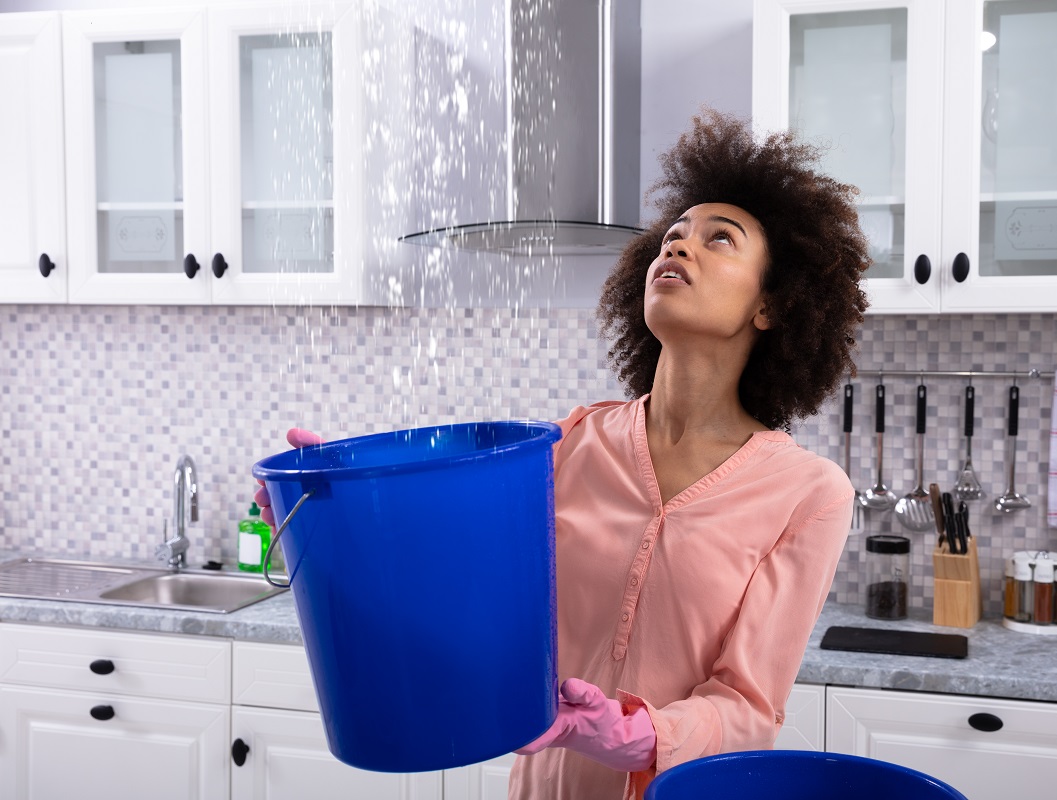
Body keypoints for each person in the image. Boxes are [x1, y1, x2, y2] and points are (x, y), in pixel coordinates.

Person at [256, 108, 869, 800]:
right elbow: (448, 570)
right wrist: (334, 506)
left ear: (772, 306)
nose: (679, 248)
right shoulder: (565, 445)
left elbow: (750, 707)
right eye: (671, 236)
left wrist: (632, 734)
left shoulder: (808, 494)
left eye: (718, 240)